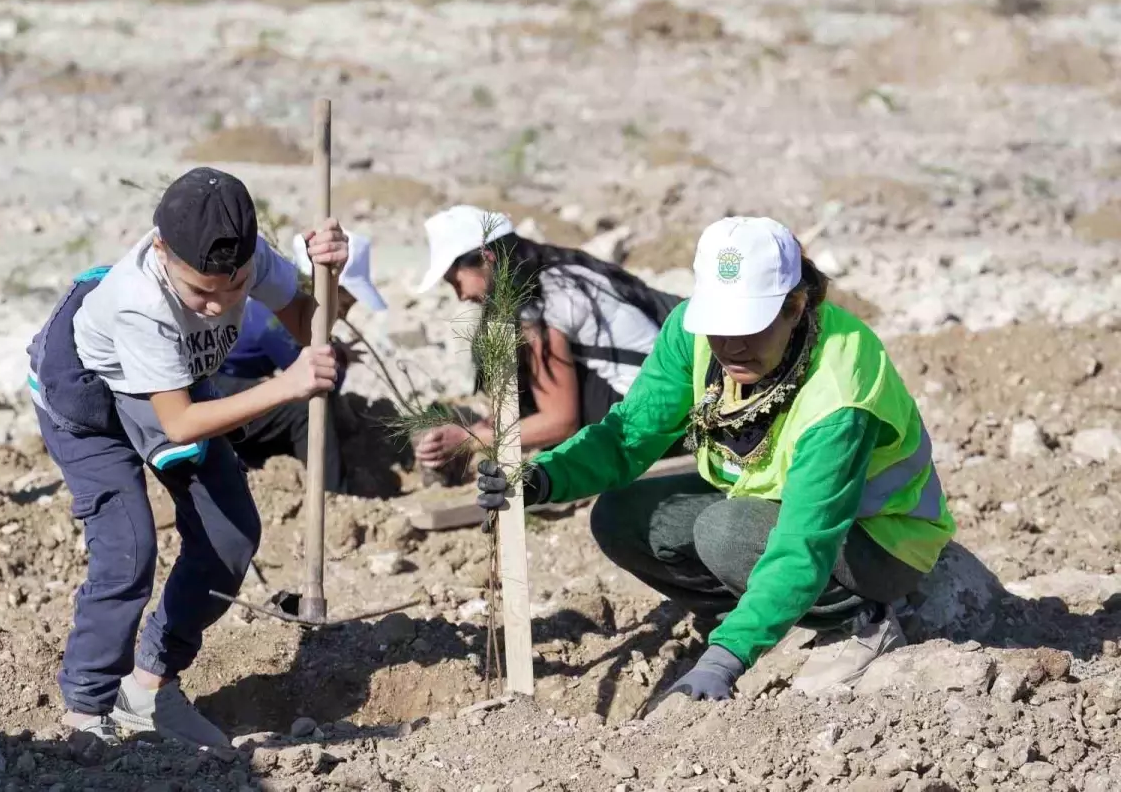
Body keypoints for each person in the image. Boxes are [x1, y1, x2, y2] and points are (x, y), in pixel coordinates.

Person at [475, 216, 956, 698]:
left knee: (726, 532)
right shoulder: (692, 335)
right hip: (764, 504)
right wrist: (543, 477)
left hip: (879, 539)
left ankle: (859, 622)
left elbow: (805, 541)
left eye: (750, 326)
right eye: (719, 325)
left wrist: (724, 661)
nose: (732, 345)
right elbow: (628, 436)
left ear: (796, 306)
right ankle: (757, 618)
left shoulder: (839, 390)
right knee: (623, 516)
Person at [25, 167, 349, 751]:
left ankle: (148, 689)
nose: (217, 305)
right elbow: (178, 423)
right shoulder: (137, 300)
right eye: (200, 292)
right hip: (85, 396)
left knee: (231, 535)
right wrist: (287, 386)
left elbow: (311, 323)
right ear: (161, 250)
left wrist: (330, 273)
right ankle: (88, 708)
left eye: (234, 288)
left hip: (168, 380)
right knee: (128, 550)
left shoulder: (245, 260)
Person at [413, 204, 683, 476]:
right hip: (670, 399)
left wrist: (470, 440)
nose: (460, 296)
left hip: (653, 422)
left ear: (487, 258)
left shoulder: (543, 303)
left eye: (455, 282)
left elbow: (560, 421)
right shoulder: (554, 271)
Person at [214, 232, 387, 489]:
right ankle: (332, 496)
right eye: (345, 304)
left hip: (230, 382)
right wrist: (339, 359)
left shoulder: (278, 302)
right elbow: (317, 381)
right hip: (215, 389)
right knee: (307, 410)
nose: (345, 314)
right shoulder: (273, 318)